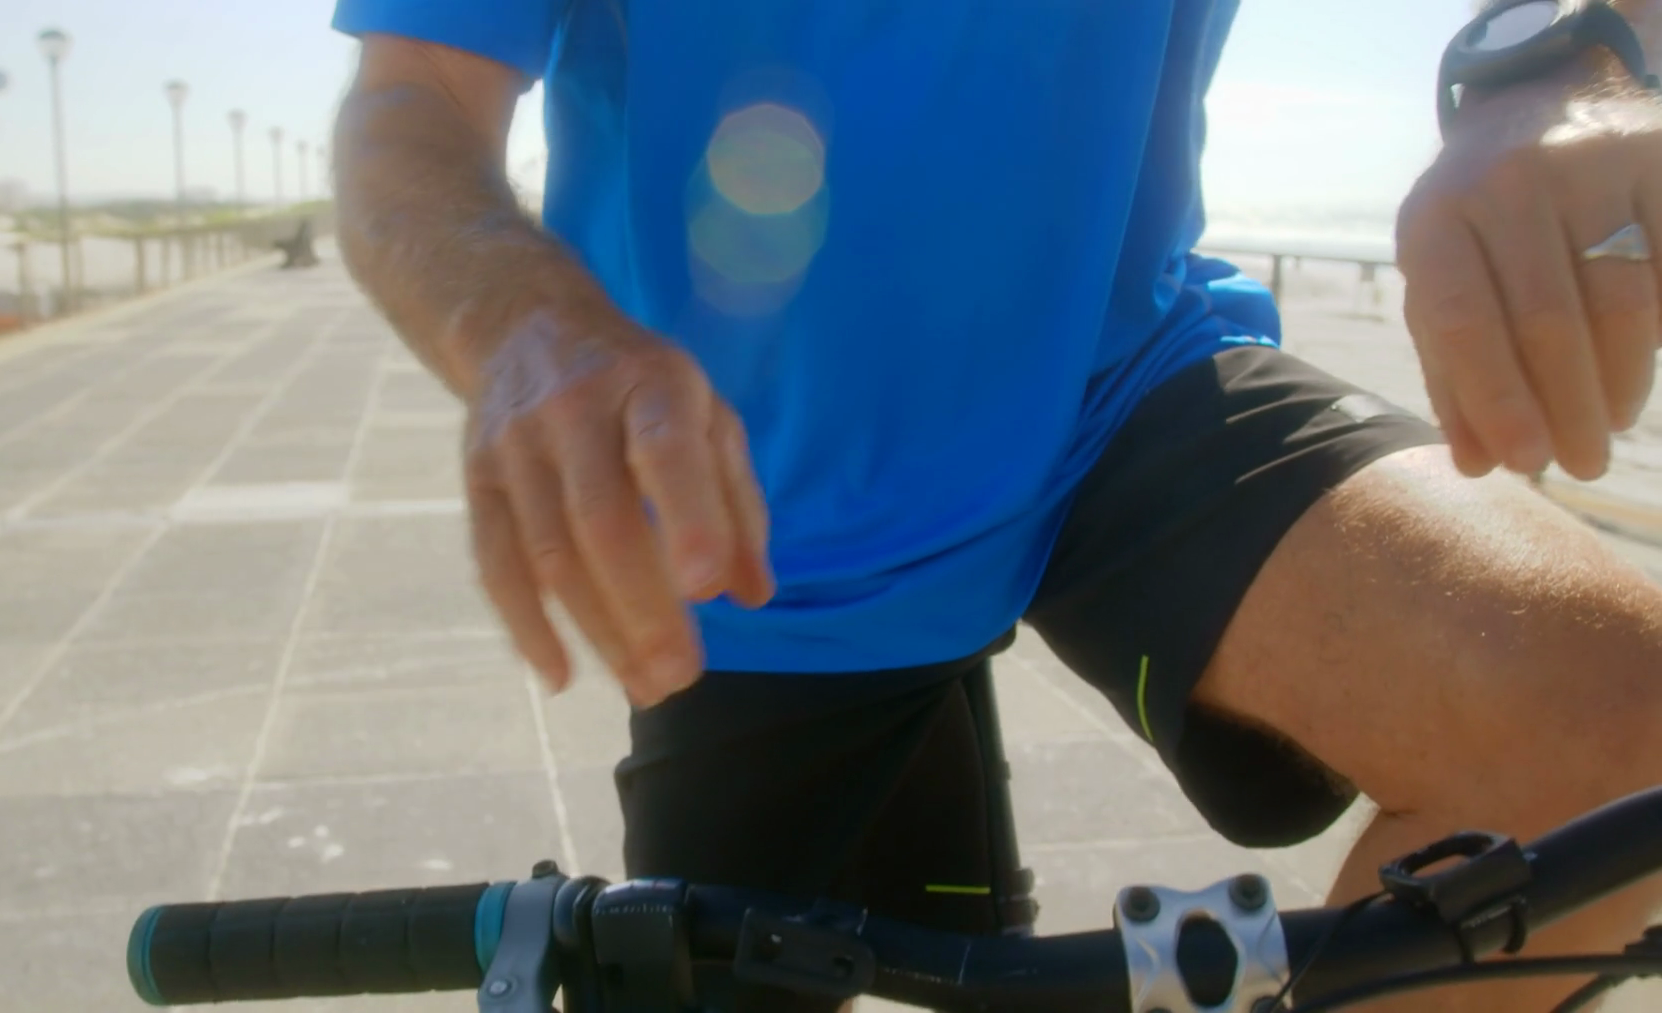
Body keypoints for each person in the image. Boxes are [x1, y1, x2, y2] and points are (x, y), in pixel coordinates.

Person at [329, 1, 1662, 1009]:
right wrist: (522, 326)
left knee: (1616, 742)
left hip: (1119, 371)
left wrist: (1563, 63)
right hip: (755, 493)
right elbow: (411, 99)